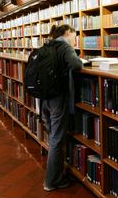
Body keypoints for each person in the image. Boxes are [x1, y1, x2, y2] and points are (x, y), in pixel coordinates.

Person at [42, 24, 83, 191]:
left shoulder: (47, 45)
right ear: (68, 33)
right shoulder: (65, 46)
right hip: (59, 98)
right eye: (74, 36)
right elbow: (76, 65)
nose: (75, 41)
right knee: (57, 140)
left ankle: (56, 173)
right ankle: (51, 182)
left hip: (45, 97)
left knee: (53, 135)